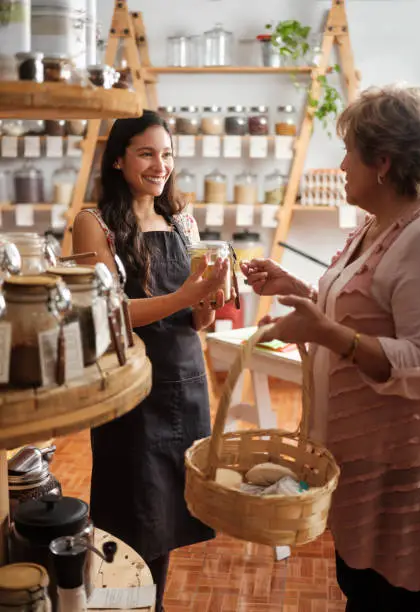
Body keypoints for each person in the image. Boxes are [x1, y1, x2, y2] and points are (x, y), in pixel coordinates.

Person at [241, 84, 420, 612]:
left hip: (406, 475)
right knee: (362, 589)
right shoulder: (378, 226)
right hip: (367, 463)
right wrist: (295, 288)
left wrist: (326, 333)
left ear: (382, 161)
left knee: (396, 598)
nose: (340, 165)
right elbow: (359, 310)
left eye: (348, 152)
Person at [72, 110, 227, 612]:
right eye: (146, 153)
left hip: (186, 382)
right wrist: (187, 295)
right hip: (130, 391)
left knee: (167, 520)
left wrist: (207, 302)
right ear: (117, 159)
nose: (160, 165)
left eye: (167, 154)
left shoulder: (182, 221)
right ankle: (125, 606)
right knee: (129, 518)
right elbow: (108, 312)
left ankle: (151, 605)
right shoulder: (93, 224)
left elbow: (195, 322)